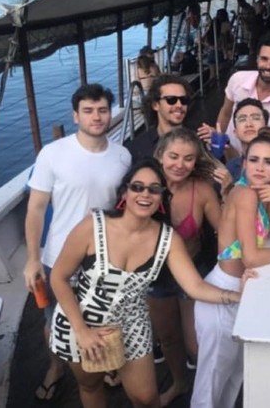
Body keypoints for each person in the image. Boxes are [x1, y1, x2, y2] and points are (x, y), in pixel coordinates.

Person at [48, 159, 253, 408]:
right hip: (81, 322)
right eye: (137, 187)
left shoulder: (167, 239)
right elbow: (58, 277)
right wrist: (82, 331)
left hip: (131, 324)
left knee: (147, 399)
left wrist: (236, 297)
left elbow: (195, 287)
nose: (145, 194)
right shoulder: (92, 225)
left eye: (154, 189)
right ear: (124, 193)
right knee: (91, 386)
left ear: (161, 198)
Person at [23, 84, 131, 401]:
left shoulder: (122, 155)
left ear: (110, 113)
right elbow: (35, 209)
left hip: (106, 258)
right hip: (58, 256)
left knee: (103, 314)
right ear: (75, 116)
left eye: (102, 110)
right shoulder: (52, 154)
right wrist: (32, 259)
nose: (96, 117)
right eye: (88, 111)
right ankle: (56, 367)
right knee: (53, 319)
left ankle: (103, 365)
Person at [191, 132, 270, 408]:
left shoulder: (262, 192)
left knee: (233, 376)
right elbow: (253, 257)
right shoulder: (244, 194)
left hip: (243, 291)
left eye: (268, 162)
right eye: (254, 160)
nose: (260, 167)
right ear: (244, 163)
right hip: (222, 293)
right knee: (210, 387)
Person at [150, 129, 223, 406]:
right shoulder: (144, 189)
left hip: (192, 272)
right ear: (160, 155)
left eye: (188, 158)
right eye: (174, 156)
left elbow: (223, 231)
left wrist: (240, 267)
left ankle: (208, 393)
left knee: (195, 343)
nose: (180, 164)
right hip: (156, 277)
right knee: (168, 338)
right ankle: (179, 383)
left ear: (195, 162)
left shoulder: (201, 190)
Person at [125, 75, 193, 161]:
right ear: (155, 105)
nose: (179, 105)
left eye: (184, 100)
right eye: (171, 100)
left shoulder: (199, 139)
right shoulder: (137, 149)